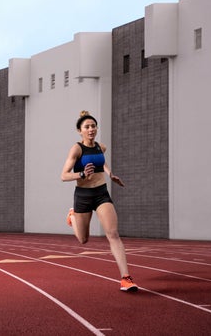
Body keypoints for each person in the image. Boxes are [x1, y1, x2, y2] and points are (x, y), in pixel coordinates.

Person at [60, 110, 138, 291]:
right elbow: (63, 176)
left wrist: (110, 174)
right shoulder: (77, 149)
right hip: (83, 195)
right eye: (87, 127)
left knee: (113, 234)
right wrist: (81, 174)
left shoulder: (101, 147)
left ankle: (126, 278)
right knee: (83, 240)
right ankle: (72, 216)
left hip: (101, 193)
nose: (91, 129)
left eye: (93, 126)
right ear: (80, 130)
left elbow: (101, 162)